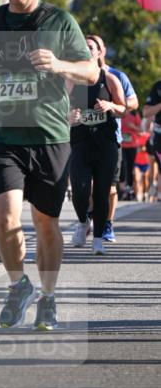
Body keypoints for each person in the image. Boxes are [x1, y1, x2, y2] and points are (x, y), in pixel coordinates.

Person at [0, 0, 98, 330]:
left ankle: (49, 296)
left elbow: (90, 72)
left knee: (46, 223)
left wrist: (59, 64)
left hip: (49, 135)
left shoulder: (59, 22)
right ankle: (17, 284)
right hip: (1, 134)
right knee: (4, 218)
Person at [69, 36, 126, 254]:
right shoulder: (73, 81)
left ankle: (99, 239)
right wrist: (69, 116)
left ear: (98, 53)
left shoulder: (109, 79)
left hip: (106, 143)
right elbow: (58, 110)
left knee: (102, 191)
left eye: (90, 47)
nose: (86, 50)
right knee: (80, 191)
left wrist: (110, 104)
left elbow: (124, 108)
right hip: (81, 143)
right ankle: (84, 221)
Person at [88, 34, 138, 242]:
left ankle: (107, 223)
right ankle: (91, 217)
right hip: (84, 137)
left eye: (92, 47)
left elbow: (133, 103)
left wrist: (114, 103)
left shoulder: (116, 76)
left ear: (102, 51)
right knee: (87, 184)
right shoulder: (78, 77)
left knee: (109, 186)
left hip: (110, 137)